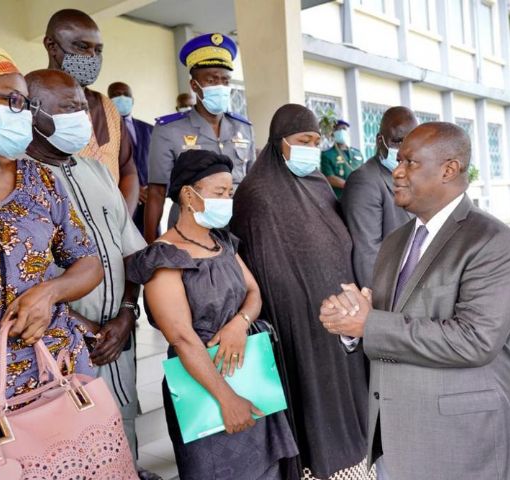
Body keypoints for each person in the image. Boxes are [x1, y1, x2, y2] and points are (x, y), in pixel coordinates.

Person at [319, 122, 510, 479]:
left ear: (449, 169)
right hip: (395, 440)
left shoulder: (493, 243)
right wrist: (352, 323)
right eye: (398, 161)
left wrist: (369, 323)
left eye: (410, 162)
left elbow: (475, 340)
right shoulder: (395, 242)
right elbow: (388, 325)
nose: (397, 172)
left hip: (465, 443)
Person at [127, 150, 298, 480]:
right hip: (206, 385)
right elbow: (181, 337)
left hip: (248, 372)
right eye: (220, 193)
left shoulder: (221, 242)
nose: (228, 200)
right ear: (189, 196)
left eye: (229, 192)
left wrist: (239, 324)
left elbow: (253, 293)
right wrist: (227, 399)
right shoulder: (164, 257)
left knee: (267, 470)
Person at [231, 104, 370, 480]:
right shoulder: (256, 193)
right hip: (293, 321)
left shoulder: (319, 184)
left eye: (315, 140)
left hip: (341, 319)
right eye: (303, 140)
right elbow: (260, 262)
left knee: (346, 392)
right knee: (310, 397)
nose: (311, 147)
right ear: (279, 144)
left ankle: (355, 465)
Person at [24, 68, 151, 473]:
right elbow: (22, 280)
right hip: (63, 344)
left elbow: (131, 250)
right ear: (33, 112)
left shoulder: (95, 171)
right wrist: (86, 327)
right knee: (76, 442)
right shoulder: (16, 181)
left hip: (119, 335)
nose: (81, 118)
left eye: (82, 108)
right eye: (69, 109)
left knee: (124, 423)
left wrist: (128, 313)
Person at [0, 43, 102, 418]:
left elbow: (88, 261)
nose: (22, 115)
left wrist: (50, 292)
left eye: (25, 104)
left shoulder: (38, 181)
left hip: (58, 376)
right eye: (12, 101)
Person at [144, 33, 256, 243]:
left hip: (239, 225)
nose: (220, 86)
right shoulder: (169, 130)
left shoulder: (243, 127)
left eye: (224, 80)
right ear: (194, 85)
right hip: (190, 227)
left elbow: (252, 185)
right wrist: (150, 244)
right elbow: (157, 192)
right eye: (211, 80)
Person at [44, 8, 140, 215]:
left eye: (98, 50)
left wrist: (123, 224)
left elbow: (128, 169)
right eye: (82, 47)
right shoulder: (33, 103)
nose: (92, 56)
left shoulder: (107, 107)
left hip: (114, 230)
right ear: (51, 46)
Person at [341, 107, 417, 288]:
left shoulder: (414, 175)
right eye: (397, 141)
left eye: (411, 141)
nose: (403, 149)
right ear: (380, 140)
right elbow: (367, 251)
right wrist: (380, 304)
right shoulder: (365, 180)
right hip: (390, 290)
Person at [108, 81, 154, 236]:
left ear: (132, 100)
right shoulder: (102, 131)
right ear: (108, 101)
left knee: (151, 245)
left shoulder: (149, 129)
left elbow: (159, 163)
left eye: (126, 94)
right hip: (120, 200)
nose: (121, 97)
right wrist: (133, 189)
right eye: (115, 95)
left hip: (149, 201)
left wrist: (154, 190)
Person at [320, 119, 364, 199]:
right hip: (340, 198)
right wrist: (350, 186)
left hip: (359, 197)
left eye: (344, 129)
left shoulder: (357, 153)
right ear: (333, 133)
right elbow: (329, 177)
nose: (342, 131)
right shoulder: (327, 155)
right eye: (339, 129)